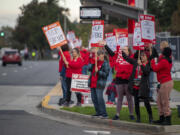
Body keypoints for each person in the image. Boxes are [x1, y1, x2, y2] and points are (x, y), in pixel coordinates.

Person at [99, 40, 135, 120]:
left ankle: (131, 114)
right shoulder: (118, 58)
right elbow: (111, 53)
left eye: (125, 50)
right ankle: (117, 114)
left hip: (128, 80)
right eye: (122, 50)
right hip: (119, 80)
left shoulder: (131, 59)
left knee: (129, 98)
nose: (123, 51)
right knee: (119, 98)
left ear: (129, 52)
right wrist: (105, 45)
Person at [122, 50, 153, 123]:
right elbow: (127, 58)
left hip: (144, 87)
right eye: (141, 55)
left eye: (144, 55)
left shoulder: (148, 64)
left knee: (146, 103)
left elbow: (146, 72)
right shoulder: (136, 62)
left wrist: (141, 65)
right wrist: (122, 51)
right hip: (136, 86)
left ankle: (150, 117)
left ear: (147, 57)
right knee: (136, 103)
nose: (142, 57)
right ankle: (138, 118)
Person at [151, 46, 174, 125]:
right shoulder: (167, 59)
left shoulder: (164, 61)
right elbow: (160, 57)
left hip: (165, 82)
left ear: (164, 53)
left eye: (163, 51)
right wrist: (155, 53)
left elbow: (155, 68)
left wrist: (152, 60)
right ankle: (162, 117)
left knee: (164, 101)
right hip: (164, 82)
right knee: (159, 101)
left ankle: (167, 119)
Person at [88, 49, 110, 119]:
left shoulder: (105, 63)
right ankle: (98, 112)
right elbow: (89, 68)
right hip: (92, 83)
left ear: (103, 55)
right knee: (94, 99)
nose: (98, 57)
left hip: (99, 83)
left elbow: (106, 74)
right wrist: (93, 62)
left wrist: (98, 71)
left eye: (99, 55)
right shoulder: (95, 62)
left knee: (99, 98)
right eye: (97, 55)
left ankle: (104, 114)